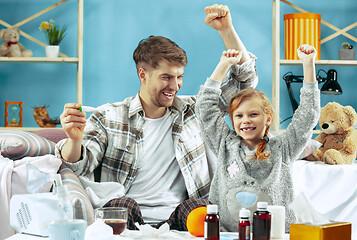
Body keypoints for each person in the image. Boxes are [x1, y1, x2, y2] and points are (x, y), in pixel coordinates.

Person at [55, 4, 258, 231]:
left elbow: (243, 83)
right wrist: (73, 140)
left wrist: (226, 30)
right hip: (129, 215)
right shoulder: (108, 116)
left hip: (179, 217)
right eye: (166, 77)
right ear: (143, 74)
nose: (175, 86)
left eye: (179, 76)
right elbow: (78, 166)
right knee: (121, 205)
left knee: (200, 208)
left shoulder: (196, 110)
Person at [195, 44, 320, 232]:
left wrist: (308, 65)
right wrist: (223, 65)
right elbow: (205, 110)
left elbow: (307, 116)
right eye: (239, 116)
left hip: (276, 233)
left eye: (253, 114)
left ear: (267, 117)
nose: (245, 121)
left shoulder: (283, 148)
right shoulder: (224, 145)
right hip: (228, 233)